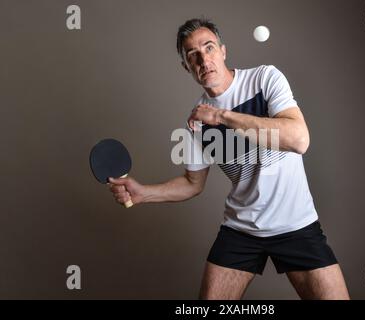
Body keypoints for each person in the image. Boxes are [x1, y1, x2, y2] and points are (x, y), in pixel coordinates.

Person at [108, 17, 350, 300]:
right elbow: (192, 183)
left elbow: (299, 139)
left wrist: (222, 116)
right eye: (192, 55)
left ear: (223, 51)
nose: (203, 59)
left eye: (209, 48)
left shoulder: (265, 79)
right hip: (242, 231)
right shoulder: (196, 120)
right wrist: (142, 194)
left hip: (296, 225)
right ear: (186, 66)